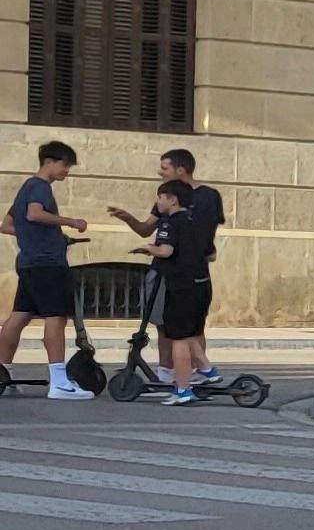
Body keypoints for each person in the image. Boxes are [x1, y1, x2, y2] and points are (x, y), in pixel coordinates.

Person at [106, 149, 224, 394]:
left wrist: (155, 248)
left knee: (189, 327)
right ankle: (169, 372)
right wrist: (128, 218)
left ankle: (192, 375)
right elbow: (145, 228)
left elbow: (201, 235)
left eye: (165, 168)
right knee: (166, 325)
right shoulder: (167, 199)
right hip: (172, 270)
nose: (160, 172)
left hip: (186, 271)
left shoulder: (205, 197)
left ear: (181, 169)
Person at [8, 141, 91, 400]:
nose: (67, 171)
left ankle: (4, 375)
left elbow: (8, 224)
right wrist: (70, 222)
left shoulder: (26, 187)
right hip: (47, 264)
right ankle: (59, 381)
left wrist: (44, 237)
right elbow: (34, 214)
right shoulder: (40, 187)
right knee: (56, 317)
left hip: (30, 261)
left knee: (19, 316)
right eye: (65, 165)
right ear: (49, 162)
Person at [136, 179, 218, 403]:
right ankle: (208, 370)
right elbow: (211, 255)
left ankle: (183, 389)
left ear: (172, 200)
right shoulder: (198, 223)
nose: (158, 201)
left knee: (178, 339)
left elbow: (165, 250)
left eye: (160, 197)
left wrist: (147, 248)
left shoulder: (169, 223)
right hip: (201, 283)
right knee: (191, 332)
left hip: (180, 286)